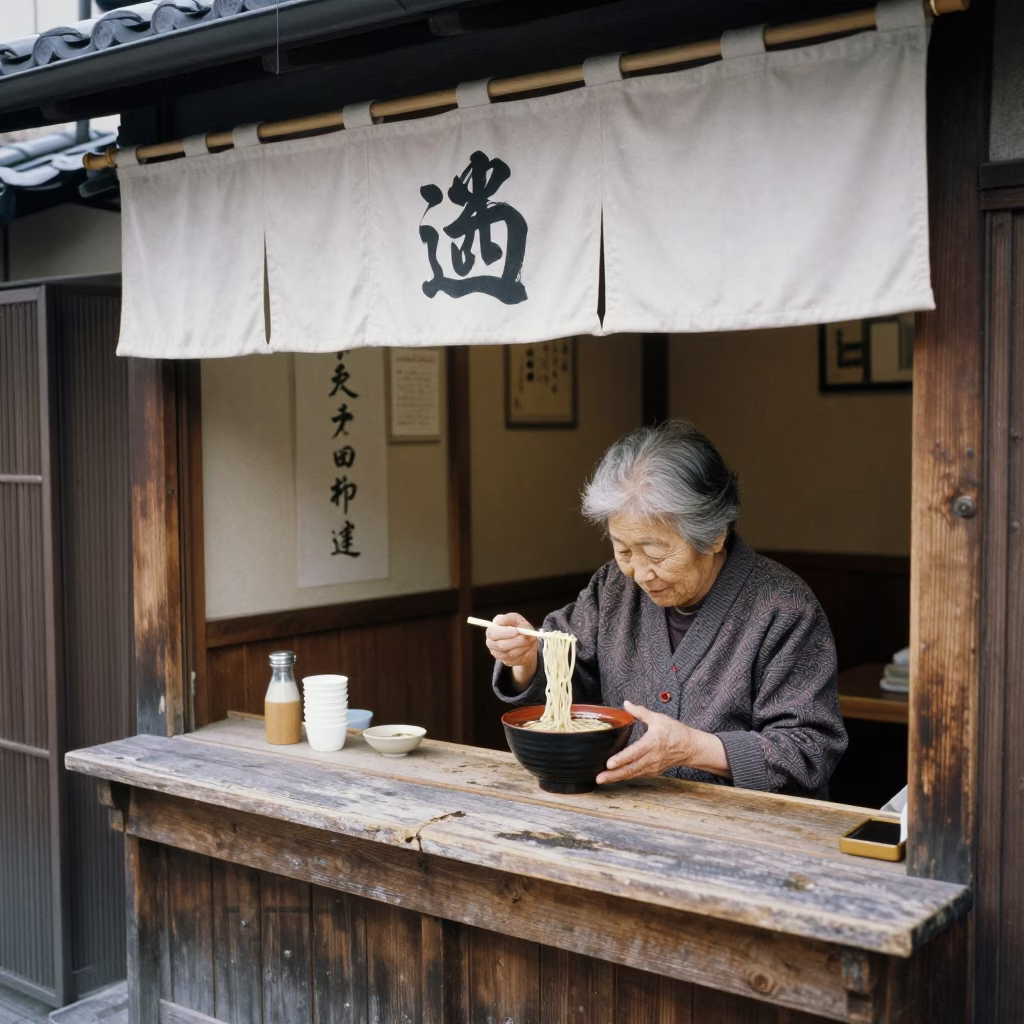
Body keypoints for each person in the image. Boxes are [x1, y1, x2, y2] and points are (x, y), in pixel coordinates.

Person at [487, 420, 847, 798]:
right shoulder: (612, 587)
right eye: (623, 549)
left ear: (714, 535)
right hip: (627, 812)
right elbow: (570, 688)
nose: (640, 573)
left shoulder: (783, 608)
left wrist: (694, 748)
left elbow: (811, 748)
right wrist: (526, 660)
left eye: (656, 552)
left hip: (747, 830)